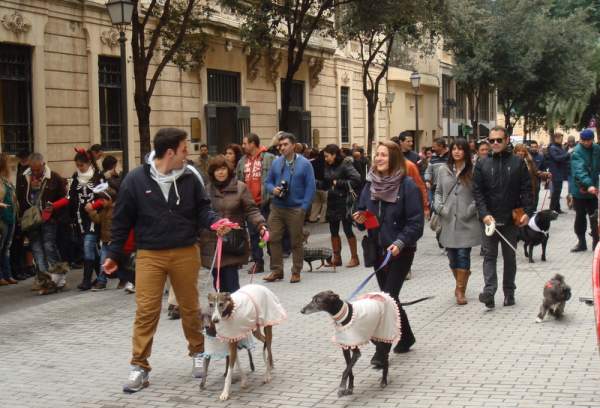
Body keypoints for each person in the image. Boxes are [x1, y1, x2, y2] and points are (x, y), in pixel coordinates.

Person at [103, 128, 231, 392]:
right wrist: (113, 254)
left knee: (189, 307)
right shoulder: (135, 180)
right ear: (170, 152)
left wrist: (215, 222)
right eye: (184, 149)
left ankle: (198, 353)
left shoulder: (190, 176)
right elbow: (121, 220)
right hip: (149, 254)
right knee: (146, 311)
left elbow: (202, 210)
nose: (188, 154)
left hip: (185, 251)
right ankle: (139, 367)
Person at [353, 141, 424, 360]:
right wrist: (359, 219)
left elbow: (416, 223)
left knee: (386, 299)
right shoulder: (370, 184)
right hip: (378, 249)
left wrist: (400, 242)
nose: (378, 159)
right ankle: (406, 337)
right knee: (389, 299)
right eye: (377, 155)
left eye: (383, 155)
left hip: (400, 251)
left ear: (393, 158)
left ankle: (381, 351)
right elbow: (362, 212)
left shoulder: (407, 185)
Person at [473, 127, 533, 309]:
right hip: (489, 220)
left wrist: (526, 213)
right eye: (492, 141)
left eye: (499, 140)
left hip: (510, 219)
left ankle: (509, 292)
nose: (495, 143)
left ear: (507, 140)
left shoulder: (518, 162)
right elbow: (477, 192)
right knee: (489, 256)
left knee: (509, 257)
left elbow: (527, 190)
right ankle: (489, 292)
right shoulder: (482, 163)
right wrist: (484, 215)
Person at [201, 155, 267, 292]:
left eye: (223, 168)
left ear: (229, 170)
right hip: (212, 242)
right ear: (212, 172)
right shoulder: (206, 190)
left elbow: (251, 210)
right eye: (217, 169)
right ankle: (223, 311)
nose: (220, 172)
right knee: (218, 283)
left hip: (233, 242)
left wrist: (261, 225)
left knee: (232, 283)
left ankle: (235, 309)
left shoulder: (240, 188)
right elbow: (201, 213)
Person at [263, 132, 316, 283]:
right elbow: (268, 182)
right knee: (273, 238)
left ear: (293, 145)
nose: (282, 148)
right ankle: (277, 271)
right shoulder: (276, 162)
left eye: (285, 145)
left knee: (295, 241)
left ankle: (296, 271)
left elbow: (310, 187)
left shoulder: (305, 164)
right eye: (280, 145)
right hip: (277, 207)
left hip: (296, 208)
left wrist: (303, 207)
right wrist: (273, 189)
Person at [434, 138, 480, 305]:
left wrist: (471, 209)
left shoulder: (474, 170)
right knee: (452, 257)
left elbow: (480, 194)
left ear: (466, 151)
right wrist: (438, 206)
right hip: (447, 219)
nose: (457, 152)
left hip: (467, 221)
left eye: (461, 149)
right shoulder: (443, 169)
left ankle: (460, 290)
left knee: (463, 254)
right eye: (454, 148)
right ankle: (462, 278)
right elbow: (438, 191)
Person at [16, 153, 69, 293]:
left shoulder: (54, 177)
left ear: (43, 165)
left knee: (49, 246)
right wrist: (32, 189)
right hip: (32, 220)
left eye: (38, 170)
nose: (35, 173)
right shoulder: (24, 177)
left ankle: (59, 277)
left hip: (48, 219)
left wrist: (54, 211)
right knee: (37, 250)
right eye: (33, 169)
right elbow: (21, 198)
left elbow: (64, 198)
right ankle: (45, 281)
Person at [235, 133, 275, 273]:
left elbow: (276, 176)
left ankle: (274, 260)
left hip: (266, 201)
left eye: (245, 143)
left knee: (269, 232)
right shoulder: (242, 161)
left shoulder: (269, 158)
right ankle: (258, 262)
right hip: (250, 204)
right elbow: (238, 180)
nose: (243, 146)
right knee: (253, 234)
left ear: (253, 143)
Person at [321, 144, 361, 267]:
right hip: (332, 200)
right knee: (333, 231)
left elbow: (357, 179)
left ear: (334, 155)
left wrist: (338, 182)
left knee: (347, 229)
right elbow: (327, 181)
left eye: (327, 156)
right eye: (325, 156)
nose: (326, 159)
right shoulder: (328, 165)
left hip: (344, 201)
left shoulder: (345, 164)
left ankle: (355, 258)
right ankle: (337, 258)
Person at [569, 129, 600, 252]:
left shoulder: (597, 148)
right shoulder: (576, 152)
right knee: (580, 217)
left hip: (594, 190)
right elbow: (579, 171)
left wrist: (594, 185)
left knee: (595, 217)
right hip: (580, 190)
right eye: (584, 141)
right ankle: (581, 242)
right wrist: (589, 185)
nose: (586, 143)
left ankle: (596, 243)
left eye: (589, 141)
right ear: (581, 140)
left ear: (593, 140)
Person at [0, 154, 17, 285]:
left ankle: (8, 274)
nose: (11, 167)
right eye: (8, 164)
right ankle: (1, 276)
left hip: (10, 217)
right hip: (2, 218)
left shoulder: (6, 181)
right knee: (1, 247)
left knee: (6, 248)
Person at [546, 132, 570, 214]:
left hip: (560, 172)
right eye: (560, 138)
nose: (562, 140)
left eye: (562, 138)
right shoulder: (553, 148)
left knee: (558, 191)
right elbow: (557, 158)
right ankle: (551, 209)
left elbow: (563, 158)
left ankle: (557, 208)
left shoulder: (560, 147)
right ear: (556, 138)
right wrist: (568, 154)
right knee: (556, 192)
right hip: (556, 172)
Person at [514, 144, 542, 210]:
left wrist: (545, 174)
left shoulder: (529, 161)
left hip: (530, 188)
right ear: (515, 152)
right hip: (517, 190)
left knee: (531, 208)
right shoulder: (512, 162)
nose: (521, 153)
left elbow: (536, 172)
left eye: (523, 151)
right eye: (519, 151)